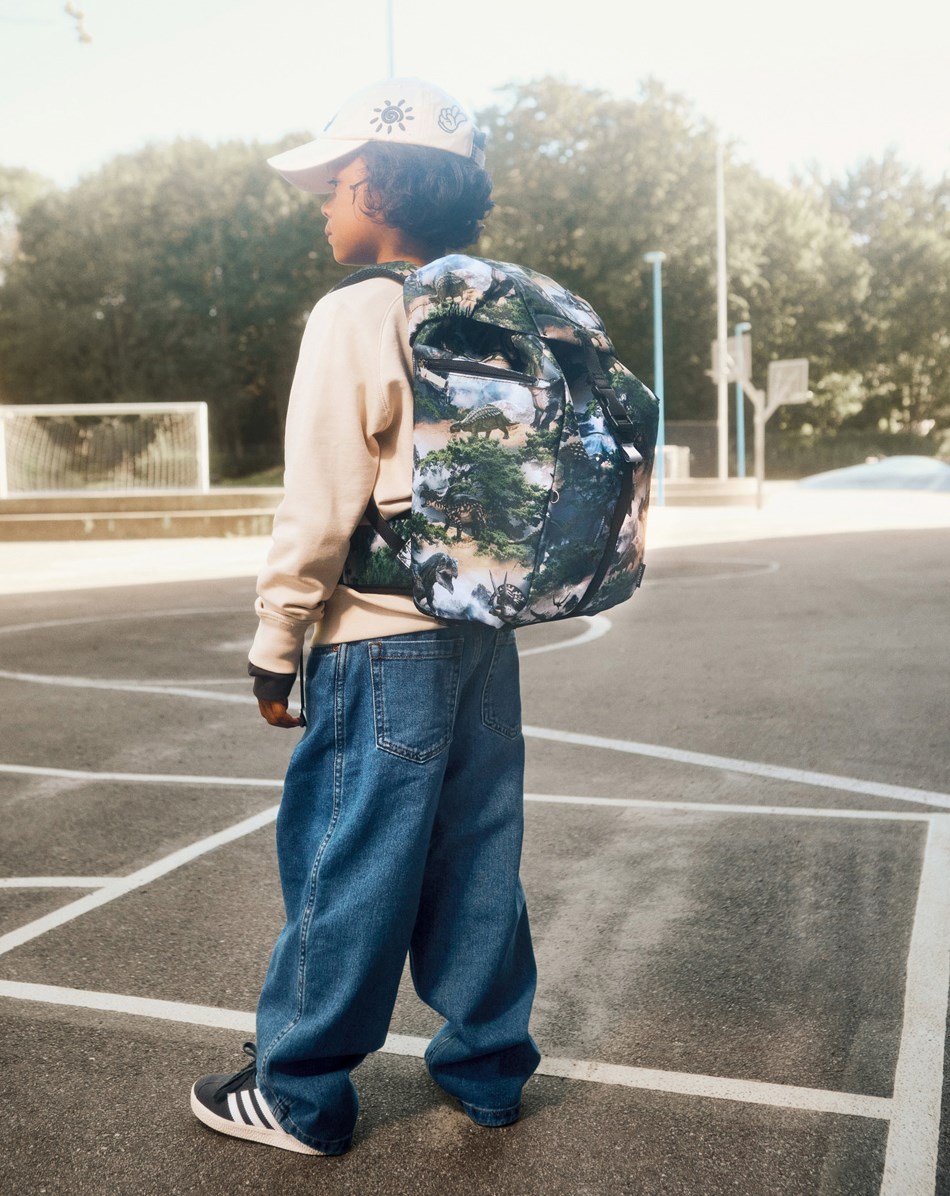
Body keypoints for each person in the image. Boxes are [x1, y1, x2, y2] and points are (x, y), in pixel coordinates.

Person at [190, 78, 541, 1158]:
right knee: (477, 852)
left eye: (334, 184)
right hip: (481, 630)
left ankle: (296, 1091)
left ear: (381, 187)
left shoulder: (355, 311)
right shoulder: (507, 301)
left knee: (349, 855)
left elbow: (320, 496)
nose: (321, 205)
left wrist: (275, 640)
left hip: (380, 636)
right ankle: (485, 1067)